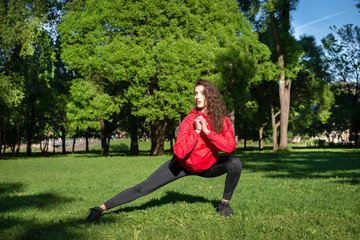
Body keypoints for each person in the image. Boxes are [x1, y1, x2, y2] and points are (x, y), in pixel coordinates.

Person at [86, 79, 242, 222]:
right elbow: (180, 152)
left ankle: (224, 205)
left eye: (202, 93)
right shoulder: (189, 121)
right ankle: (100, 208)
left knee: (235, 163)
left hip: (207, 166)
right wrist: (196, 131)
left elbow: (229, 146)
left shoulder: (222, 120)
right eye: (195, 93)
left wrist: (207, 131)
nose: (197, 97)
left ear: (211, 96)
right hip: (182, 165)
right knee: (144, 187)